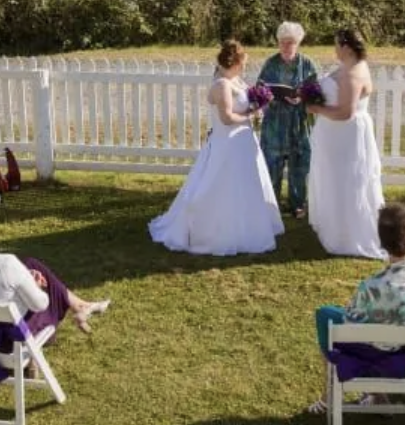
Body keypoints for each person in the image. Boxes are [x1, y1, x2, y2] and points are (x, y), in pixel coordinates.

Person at [149, 39, 284, 256]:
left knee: (246, 185)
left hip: (244, 142)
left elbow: (247, 99)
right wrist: (251, 112)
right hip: (228, 144)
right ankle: (218, 230)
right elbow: (227, 117)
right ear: (235, 61)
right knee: (222, 186)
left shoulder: (236, 80)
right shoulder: (221, 84)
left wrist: (259, 104)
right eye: (243, 62)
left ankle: (248, 225)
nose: (244, 67)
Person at [307, 203, 405, 413]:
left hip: (375, 355)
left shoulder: (372, 286)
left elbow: (350, 325)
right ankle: (378, 396)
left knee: (326, 315)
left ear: (382, 240)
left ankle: (329, 394)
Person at [0, 202, 111, 336]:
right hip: (9, 339)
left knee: (30, 265)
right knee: (34, 270)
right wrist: (36, 286)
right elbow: (40, 304)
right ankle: (80, 307)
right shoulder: (5, 264)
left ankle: (80, 305)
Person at [304, 27, 385, 259]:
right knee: (334, 177)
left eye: (336, 45)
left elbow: (345, 113)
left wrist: (315, 107)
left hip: (345, 136)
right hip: (334, 135)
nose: (335, 49)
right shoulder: (352, 67)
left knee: (347, 180)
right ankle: (333, 223)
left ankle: (345, 234)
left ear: (346, 47)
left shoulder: (353, 74)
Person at [257, 21, 319, 219]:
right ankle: (270, 205)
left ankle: (298, 204)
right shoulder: (270, 63)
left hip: (298, 122)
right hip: (275, 122)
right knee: (271, 164)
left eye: (291, 42)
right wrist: (269, 96)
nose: (286, 46)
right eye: (283, 42)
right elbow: (259, 90)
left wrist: (302, 97)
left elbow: (316, 91)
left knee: (299, 165)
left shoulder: (307, 64)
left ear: (298, 42)